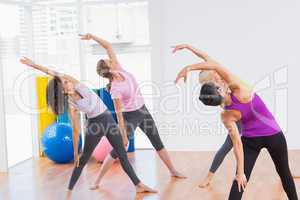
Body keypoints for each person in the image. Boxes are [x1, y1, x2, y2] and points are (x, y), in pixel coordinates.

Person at [173, 44, 298, 200]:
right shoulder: (239, 88)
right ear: (218, 89)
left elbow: (237, 144)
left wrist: (240, 173)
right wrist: (188, 68)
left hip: (250, 140)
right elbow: (214, 64)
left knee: (240, 180)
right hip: (274, 136)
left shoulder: (225, 115)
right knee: (284, 174)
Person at [20, 57, 157, 193]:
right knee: (83, 158)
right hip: (94, 126)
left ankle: (138, 185)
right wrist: (75, 152)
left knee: (122, 154)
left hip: (108, 120)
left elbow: (53, 73)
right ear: (63, 91)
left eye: (67, 81)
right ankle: (69, 189)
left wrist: (34, 65)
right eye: (65, 83)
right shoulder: (71, 105)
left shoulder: (77, 84)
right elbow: (75, 130)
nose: (68, 82)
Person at [78, 33, 186, 190]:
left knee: (157, 142)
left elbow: (108, 45)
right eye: (109, 61)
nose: (112, 59)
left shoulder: (121, 70)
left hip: (143, 111)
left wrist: (92, 37)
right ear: (108, 69)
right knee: (117, 150)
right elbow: (119, 113)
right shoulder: (115, 89)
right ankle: (97, 180)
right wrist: (123, 133)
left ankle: (173, 170)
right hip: (130, 117)